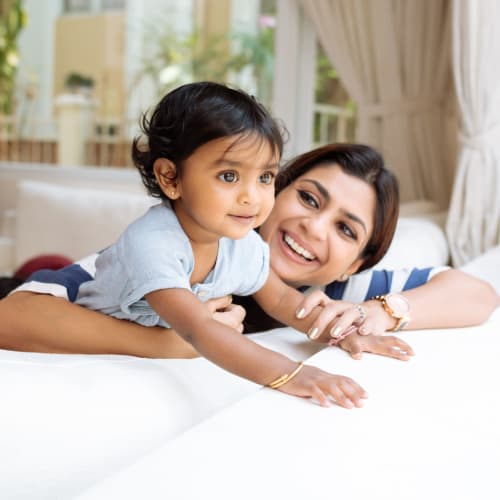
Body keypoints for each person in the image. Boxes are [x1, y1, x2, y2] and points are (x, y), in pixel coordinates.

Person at [1, 100, 498, 367]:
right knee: (34, 268)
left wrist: (377, 314)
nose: (312, 226)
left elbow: (478, 294)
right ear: (275, 193)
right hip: (52, 289)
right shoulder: (184, 248)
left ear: (354, 263)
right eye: (308, 198)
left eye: (345, 229)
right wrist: (170, 343)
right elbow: (14, 315)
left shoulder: (333, 295)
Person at [3, 81, 376, 409]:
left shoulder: (241, 243)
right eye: (229, 176)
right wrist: (291, 374)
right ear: (170, 177)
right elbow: (197, 330)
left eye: (265, 177)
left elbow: (283, 301)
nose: (252, 196)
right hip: (64, 326)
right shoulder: (152, 243)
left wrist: (343, 335)